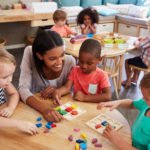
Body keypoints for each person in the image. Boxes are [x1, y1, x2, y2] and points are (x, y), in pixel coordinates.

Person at [19, 30, 76, 122]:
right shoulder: (30, 52)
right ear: (39, 56)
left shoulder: (70, 62)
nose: (59, 62)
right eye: (52, 58)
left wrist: (58, 90)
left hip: (57, 109)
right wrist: (44, 109)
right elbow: (23, 89)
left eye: (62, 55)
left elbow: (69, 89)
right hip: (34, 107)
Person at [97, 72, 150, 150]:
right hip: (130, 142)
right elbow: (132, 103)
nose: (142, 99)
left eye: (146, 98)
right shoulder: (146, 105)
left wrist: (118, 141)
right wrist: (117, 102)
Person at [52, 39, 111, 103]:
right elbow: (67, 88)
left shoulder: (102, 75)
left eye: (89, 63)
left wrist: (85, 98)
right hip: (78, 107)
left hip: (94, 107)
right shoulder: (75, 70)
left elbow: (107, 96)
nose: (84, 66)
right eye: (81, 61)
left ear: (99, 60)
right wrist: (58, 92)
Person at [0, 49, 38, 135]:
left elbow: (14, 93)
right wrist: (18, 124)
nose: (10, 79)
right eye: (5, 77)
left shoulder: (6, 82)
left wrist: (10, 108)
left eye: (12, 74)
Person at [122, 20, 150, 87]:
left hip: (145, 63)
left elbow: (137, 46)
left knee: (127, 61)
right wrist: (143, 39)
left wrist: (136, 40)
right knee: (137, 58)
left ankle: (128, 81)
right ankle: (134, 79)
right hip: (147, 62)